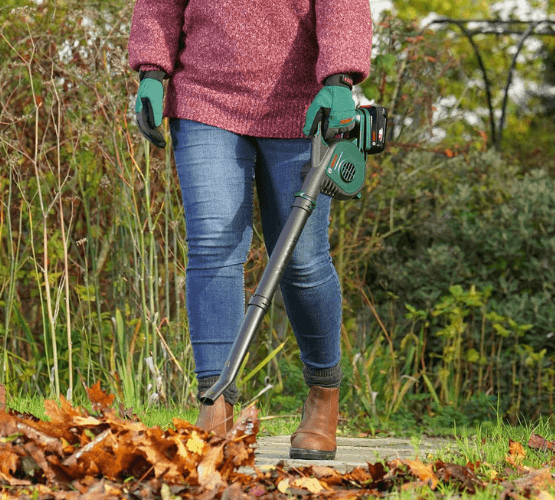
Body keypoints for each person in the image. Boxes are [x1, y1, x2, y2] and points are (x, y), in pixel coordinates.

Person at [128, 0, 372, 460]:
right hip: (204, 99)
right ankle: (215, 401)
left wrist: (340, 78)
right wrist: (152, 70)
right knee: (213, 244)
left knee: (301, 258)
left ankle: (323, 393)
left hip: (304, 106)